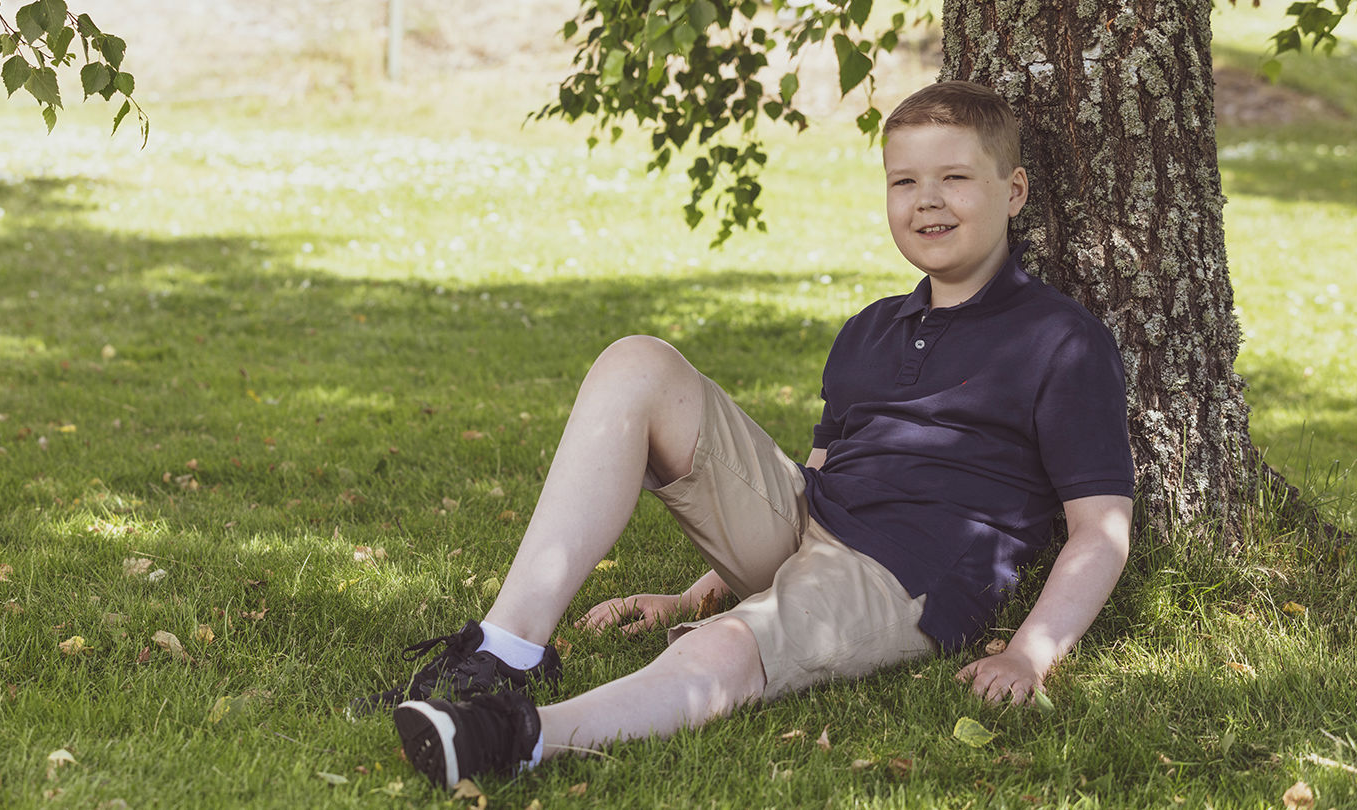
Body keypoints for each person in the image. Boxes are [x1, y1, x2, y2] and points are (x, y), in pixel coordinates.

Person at [352, 80, 1136, 790]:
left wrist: (1029, 652)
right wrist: (696, 590)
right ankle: (503, 651)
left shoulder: (1062, 341)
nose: (926, 201)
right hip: (813, 517)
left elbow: (1100, 530)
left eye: (955, 178)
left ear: (1013, 190)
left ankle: (517, 737)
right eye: (904, 182)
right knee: (638, 363)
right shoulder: (869, 329)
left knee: (726, 648)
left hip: (908, 572)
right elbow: (817, 471)